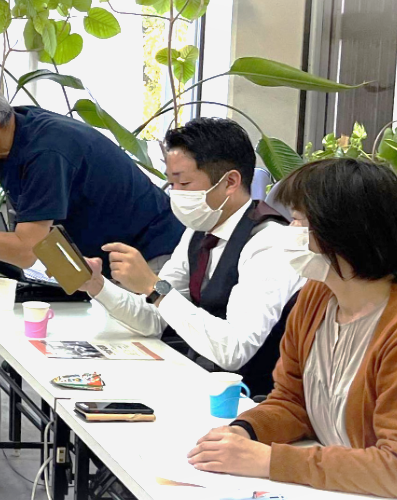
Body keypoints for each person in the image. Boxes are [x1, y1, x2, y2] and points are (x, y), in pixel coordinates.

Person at [187, 158, 397, 499]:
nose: (289, 231)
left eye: (299, 221)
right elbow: (293, 402)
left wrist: (271, 461)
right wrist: (246, 431)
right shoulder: (316, 298)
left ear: (344, 233)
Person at [75, 118, 305, 395]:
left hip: (246, 397)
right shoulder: (199, 231)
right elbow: (154, 320)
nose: (176, 194)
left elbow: (234, 350)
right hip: (198, 379)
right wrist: (98, 285)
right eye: (171, 183)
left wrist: (154, 287)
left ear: (230, 182)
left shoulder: (269, 243)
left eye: (184, 182)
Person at [0, 73, 183, 272]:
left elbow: (26, 251)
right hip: (100, 258)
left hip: (151, 251)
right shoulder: (6, 133)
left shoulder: (45, 154)